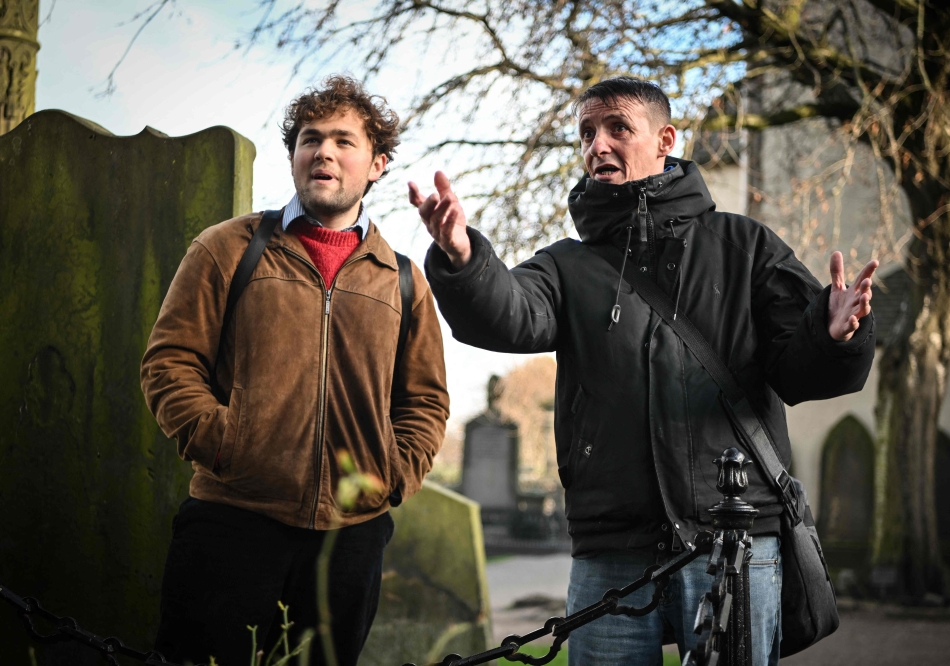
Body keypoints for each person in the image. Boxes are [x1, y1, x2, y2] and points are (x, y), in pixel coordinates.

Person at [410, 76, 877, 666]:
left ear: (665, 140)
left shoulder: (744, 246)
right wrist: (462, 258)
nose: (597, 145)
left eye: (617, 128)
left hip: (734, 542)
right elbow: (510, 314)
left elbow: (800, 374)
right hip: (612, 546)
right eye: (586, 133)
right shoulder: (567, 265)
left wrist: (833, 337)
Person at [141, 75, 449, 666]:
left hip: (351, 537)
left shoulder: (404, 281)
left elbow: (425, 401)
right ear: (293, 157)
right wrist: (227, 445)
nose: (324, 152)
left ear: (377, 164)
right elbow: (169, 362)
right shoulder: (227, 249)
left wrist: (392, 475)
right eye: (310, 139)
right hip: (232, 520)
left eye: (343, 141)